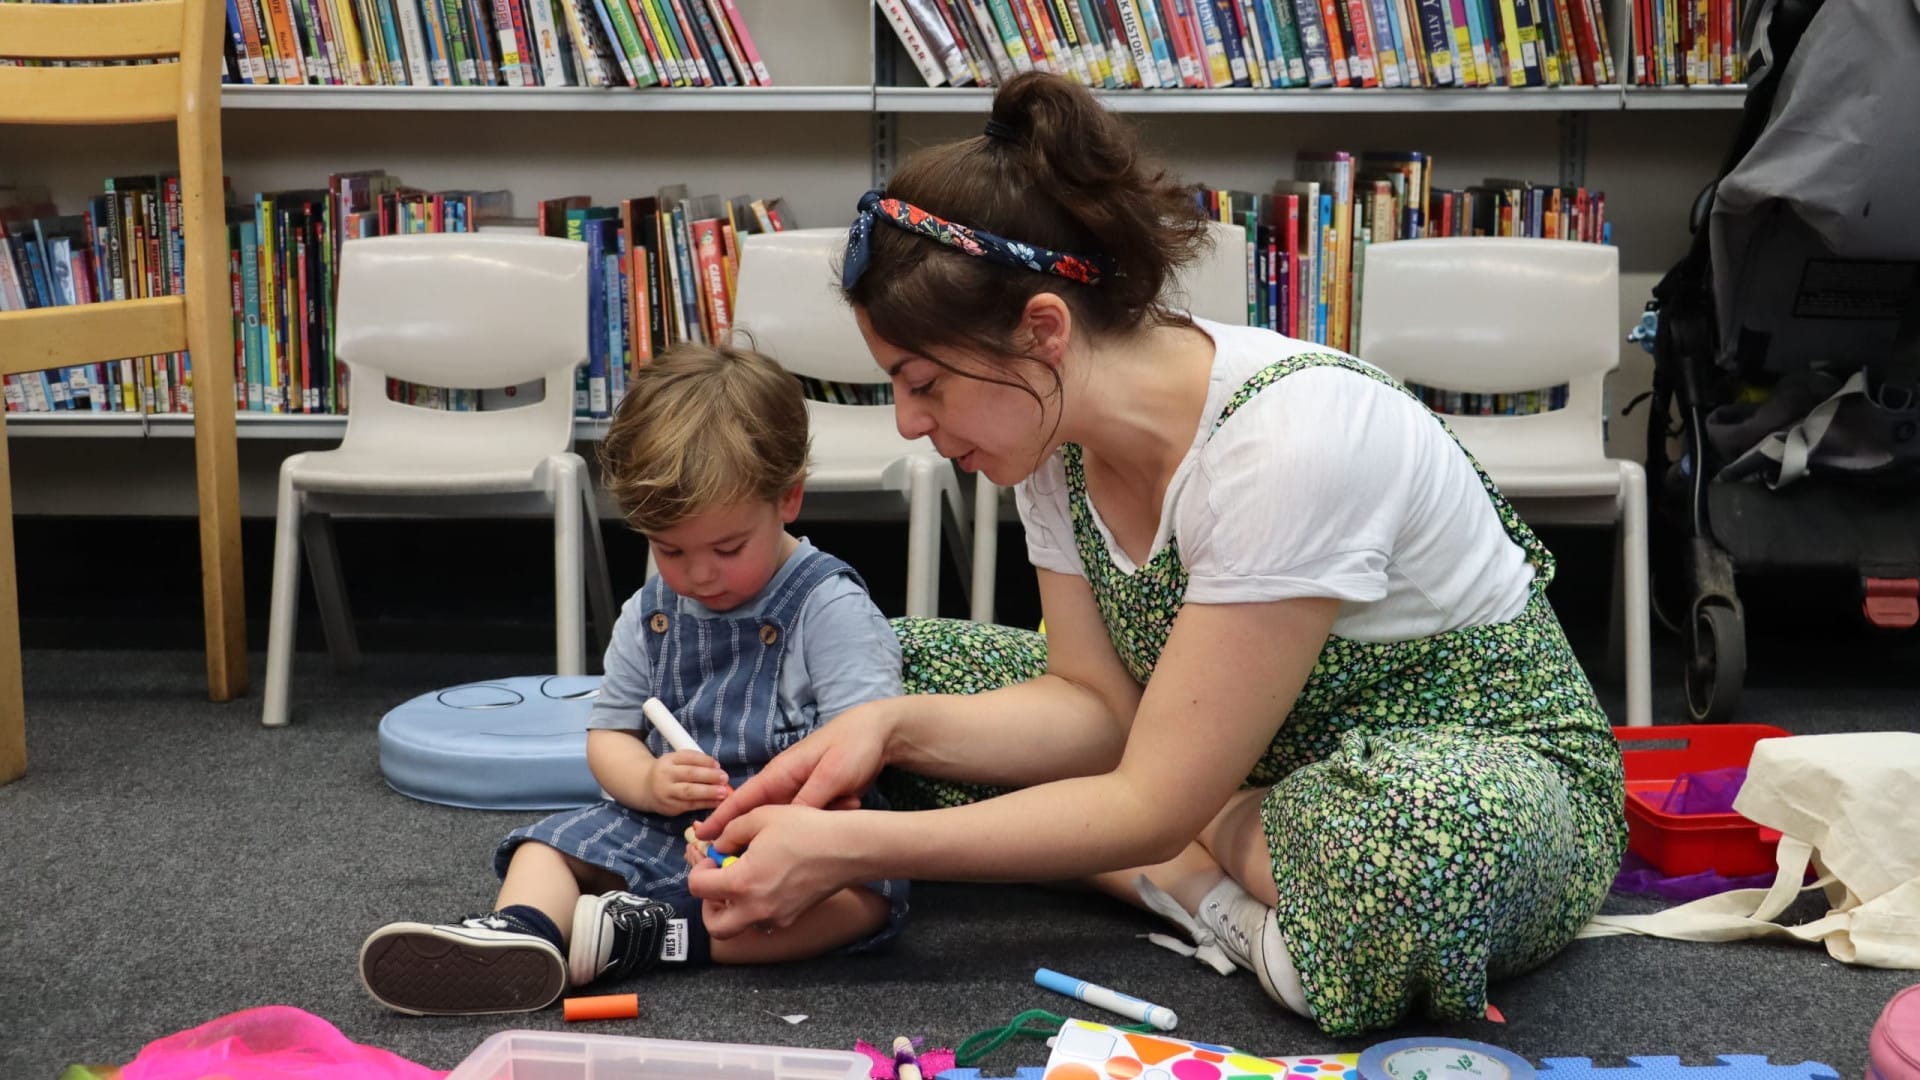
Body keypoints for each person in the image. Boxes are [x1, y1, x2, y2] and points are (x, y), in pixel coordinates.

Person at [685, 71, 1627, 1037]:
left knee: (1401, 856)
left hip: (1470, 769)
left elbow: (1144, 784)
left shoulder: (1287, 440)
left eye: (923, 383)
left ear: (1042, 331)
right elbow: (1094, 706)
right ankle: (1212, 878)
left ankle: (1180, 869)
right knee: (885, 667)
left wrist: (858, 846)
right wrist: (888, 729)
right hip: (1219, 763)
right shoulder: (1055, 438)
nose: (909, 423)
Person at [358, 342, 908, 1016]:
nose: (698, 575)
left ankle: (659, 937)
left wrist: (784, 824)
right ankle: (523, 936)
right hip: (662, 827)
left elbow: (863, 745)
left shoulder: (830, 609)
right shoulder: (650, 613)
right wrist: (648, 782)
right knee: (545, 846)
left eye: (728, 548)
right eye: (669, 549)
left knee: (864, 898)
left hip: (798, 833)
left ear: (788, 498)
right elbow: (609, 736)